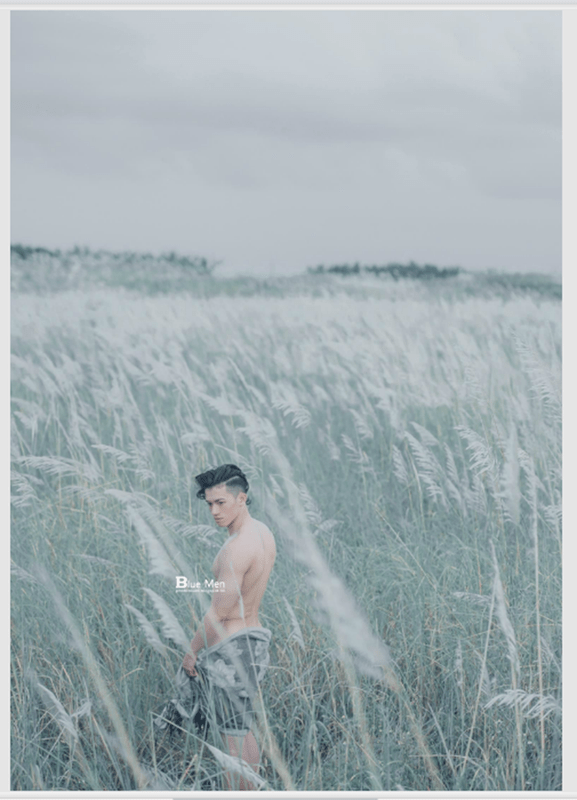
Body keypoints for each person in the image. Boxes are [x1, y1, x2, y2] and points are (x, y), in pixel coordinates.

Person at [182, 464, 276, 791]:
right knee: (240, 729)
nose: (214, 511)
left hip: (232, 648)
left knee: (231, 738)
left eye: (221, 503)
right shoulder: (262, 533)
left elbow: (219, 611)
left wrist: (192, 651)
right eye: (209, 504)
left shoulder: (236, 548)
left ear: (242, 498)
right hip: (254, 643)